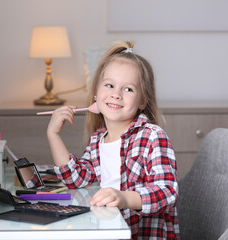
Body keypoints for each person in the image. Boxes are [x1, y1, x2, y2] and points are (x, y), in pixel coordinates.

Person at [47, 41, 180, 239]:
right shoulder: (98, 141)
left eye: (128, 89)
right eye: (109, 85)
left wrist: (123, 198)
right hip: (109, 229)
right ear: (95, 95)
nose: (116, 94)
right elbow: (76, 178)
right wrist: (53, 135)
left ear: (142, 101)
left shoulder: (153, 136)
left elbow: (167, 192)